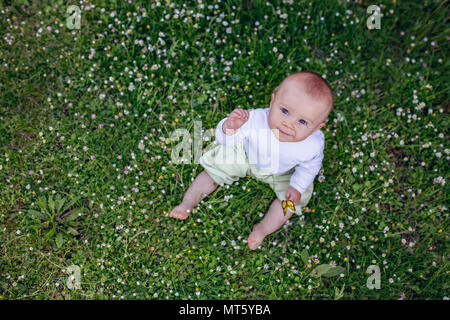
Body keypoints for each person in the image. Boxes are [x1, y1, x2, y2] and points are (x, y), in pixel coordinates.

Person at [170, 71, 334, 250]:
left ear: (318, 127)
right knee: (214, 169)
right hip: (247, 155)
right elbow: (225, 141)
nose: (289, 124)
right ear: (272, 102)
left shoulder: (313, 145)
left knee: (291, 202)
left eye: (302, 122)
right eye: (285, 111)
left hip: (282, 171)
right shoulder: (255, 119)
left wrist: (297, 186)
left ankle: (263, 229)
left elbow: (310, 167)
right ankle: (188, 202)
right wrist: (229, 128)